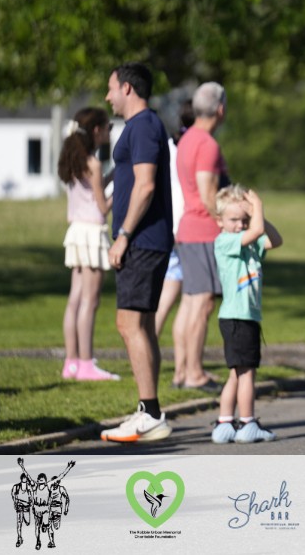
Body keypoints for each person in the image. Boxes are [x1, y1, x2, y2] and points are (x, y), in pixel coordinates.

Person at [99, 62, 174, 443]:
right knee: (141, 325)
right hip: (147, 240)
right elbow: (132, 179)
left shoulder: (143, 126)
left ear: (127, 88)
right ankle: (150, 411)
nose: (107, 96)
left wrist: (124, 235)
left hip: (142, 241)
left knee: (129, 325)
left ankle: (150, 413)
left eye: (111, 88)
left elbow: (145, 186)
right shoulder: (141, 126)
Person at [210, 184, 282, 444]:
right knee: (247, 373)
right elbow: (257, 231)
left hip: (245, 317)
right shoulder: (224, 241)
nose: (240, 225)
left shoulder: (250, 244)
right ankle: (248, 423)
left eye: (244, 220)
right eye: (233, 220)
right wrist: (257, 208)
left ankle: (225, 423)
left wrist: (257, 215)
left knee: (236, 374)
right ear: (219, 220)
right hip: (238, 318)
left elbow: (275, 240)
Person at [171, 82, 229, 392]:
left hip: (187, 230)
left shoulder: (187, 139)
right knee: (203, 303)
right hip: (204, 231)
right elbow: (208, 194)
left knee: (190, 301)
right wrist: (228, 222)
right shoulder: (207, 144)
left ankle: (181, 371)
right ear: (220, 109)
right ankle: (194, 373)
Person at [57, 107, 119, 381]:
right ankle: (86, 363)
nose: (109, 132)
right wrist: (121, 188)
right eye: (108, 128)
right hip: (92, 233)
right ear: (97, 130)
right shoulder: (92, 163)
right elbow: (102, 206)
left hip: (76, 231)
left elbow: (93, 189)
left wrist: (113, 175)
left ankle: (71, 362)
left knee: (75, 300)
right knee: (90, 301)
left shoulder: (73, 159)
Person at [154, 101, 194, 368]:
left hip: (169, 225)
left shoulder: (168, 146)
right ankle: (185, 367)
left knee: (166, 300)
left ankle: (145, 354)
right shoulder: (195, 147)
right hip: (188, 227)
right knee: (190, 302)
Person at [18, 458, 74, 550]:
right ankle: (38, 541)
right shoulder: (34, 486)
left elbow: (60, 477)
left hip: (45, 510)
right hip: (37, 510)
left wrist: (68, 468)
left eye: (42, 479)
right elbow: (28, 476)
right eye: (39, 479)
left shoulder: (48, 485)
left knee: (46, 525)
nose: (41, 481)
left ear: (45, 480)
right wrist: (22, 466)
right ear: (37, 480)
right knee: (37, 526)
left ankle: (45, 526)